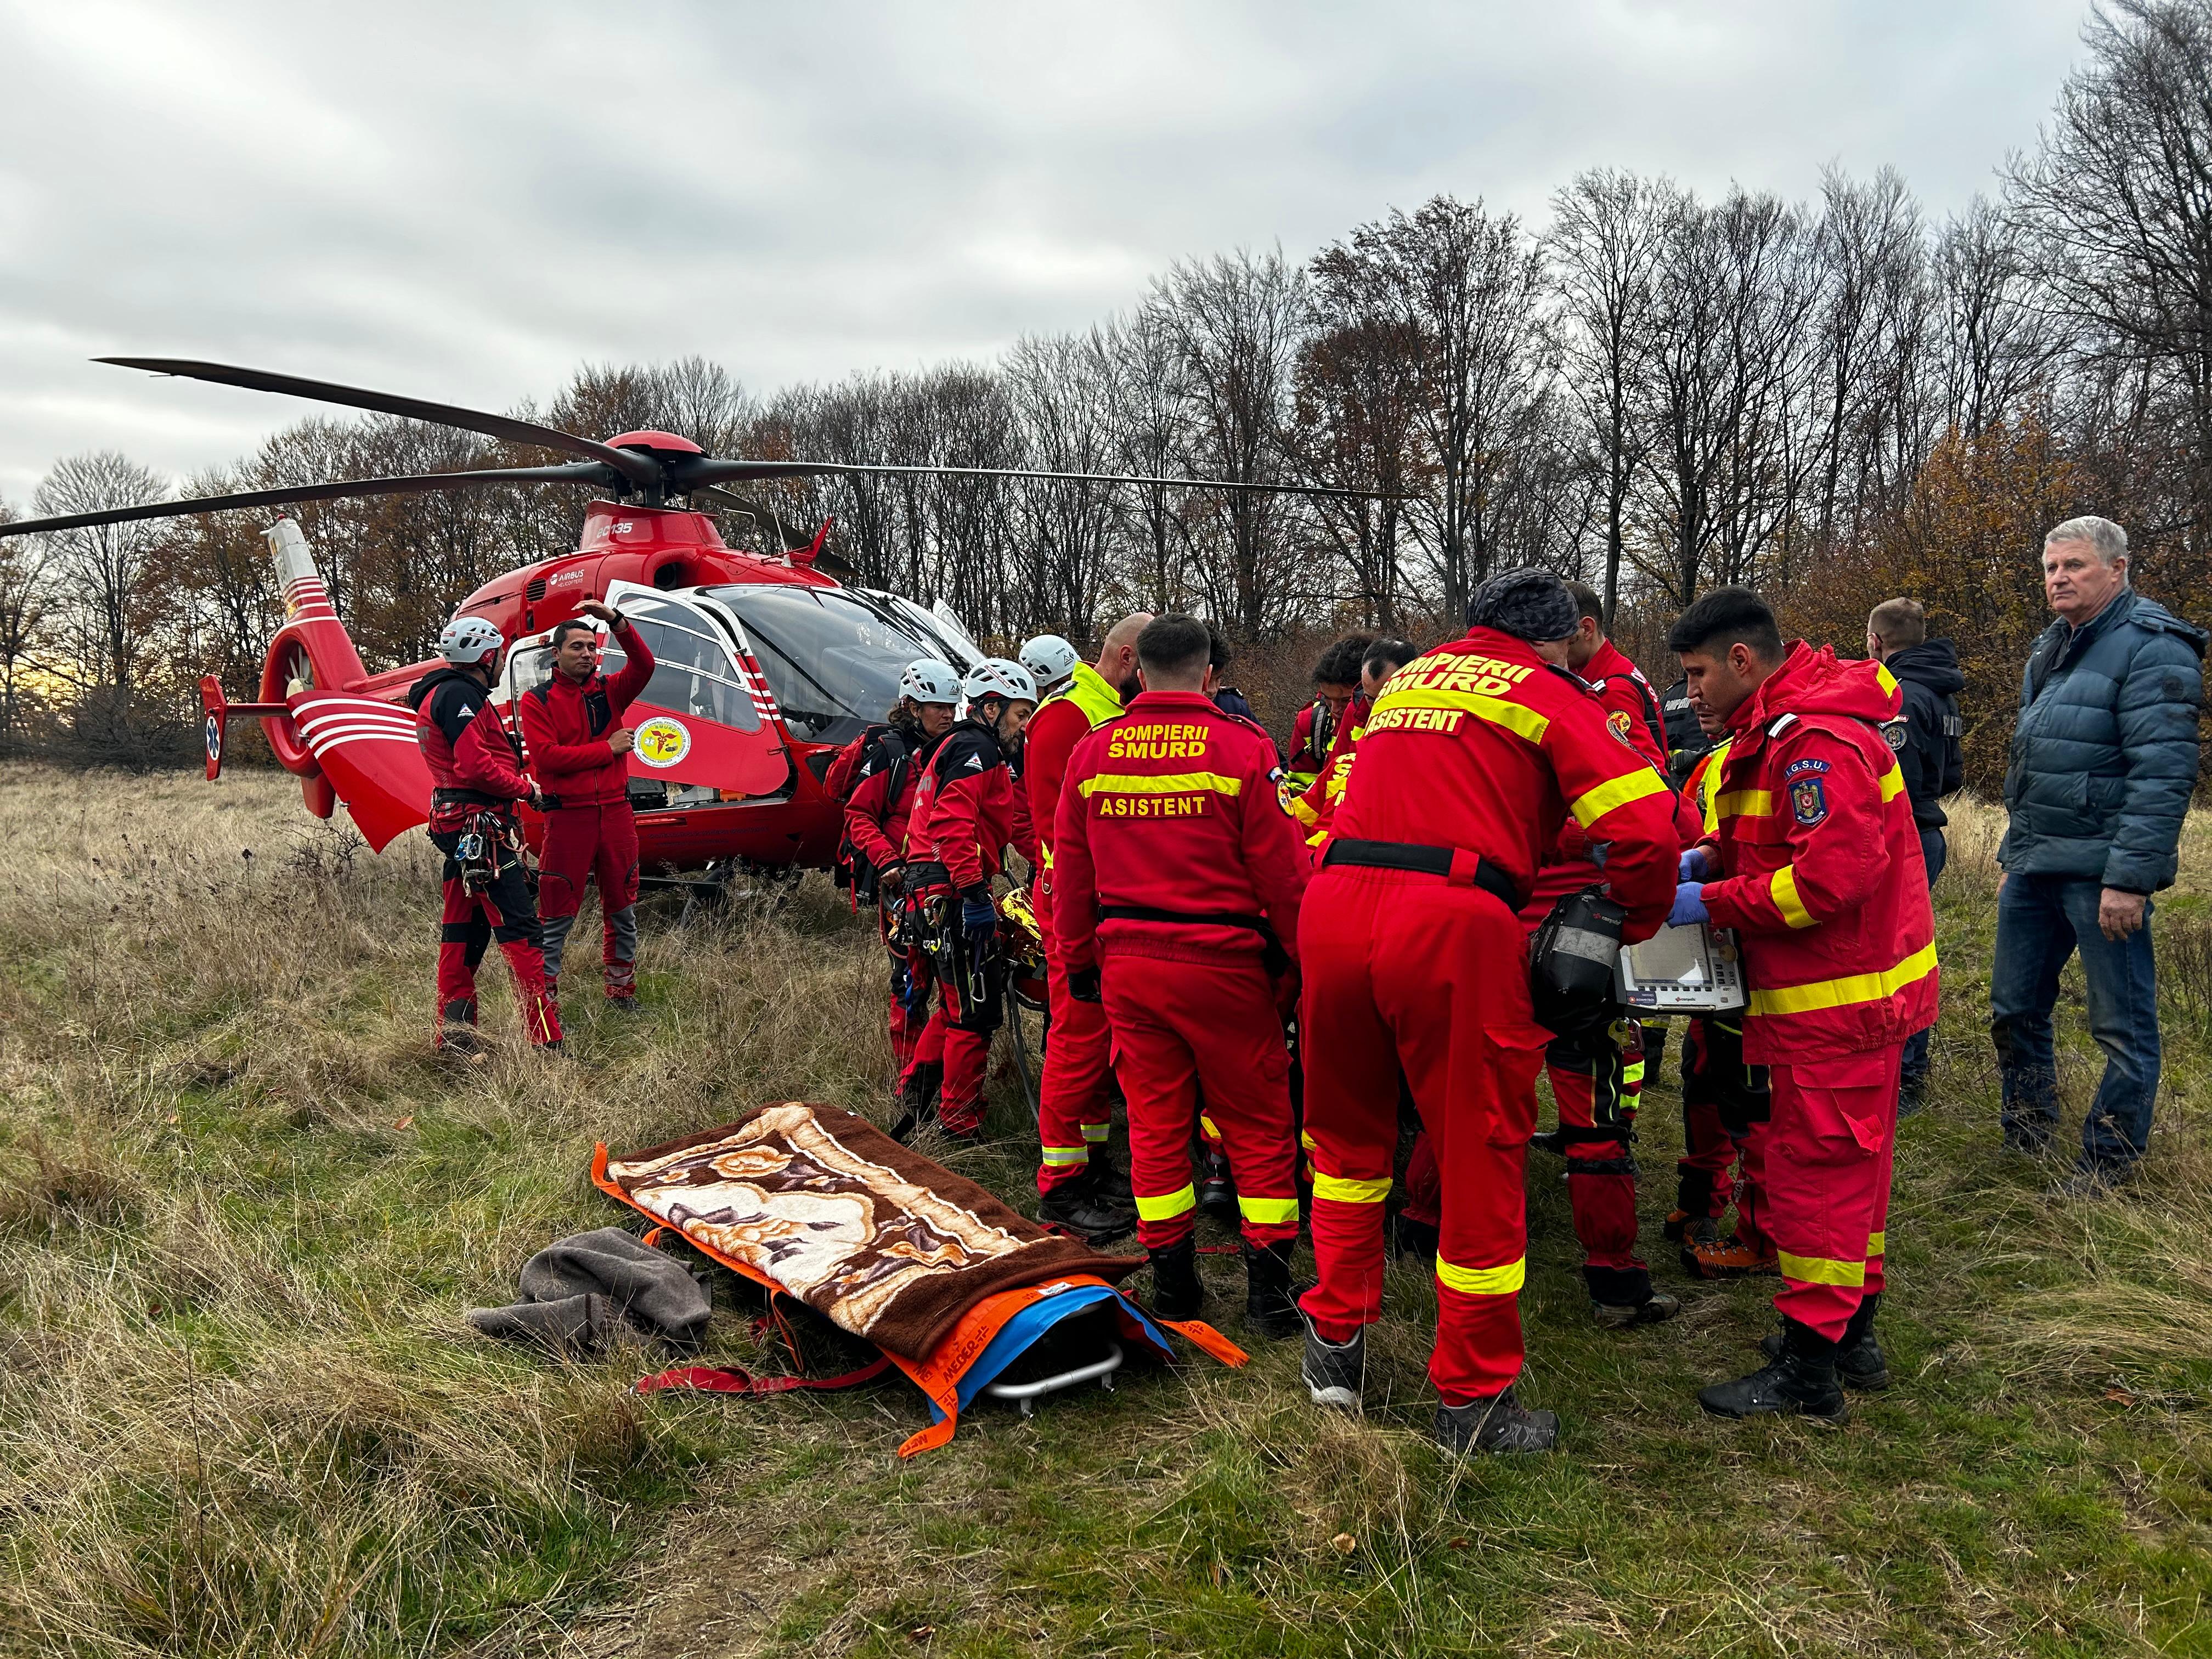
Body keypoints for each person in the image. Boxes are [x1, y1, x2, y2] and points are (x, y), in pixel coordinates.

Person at [1297, 570, 1677, 1455]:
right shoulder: (1545, 691)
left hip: (1337, 904)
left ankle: (1333, 1352)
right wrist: (1636, 919)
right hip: (1452, 918)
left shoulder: (1406, 682)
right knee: (1479, 1154)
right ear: (1552, 639)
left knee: (1348, 1143)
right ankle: (1472, 1400)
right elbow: (1645, 828)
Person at [1669, 586, 1936, 1422]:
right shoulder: (1781, 728)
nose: (1692, 694)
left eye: (1699, 674)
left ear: (1743, 661)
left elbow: (1830, 878)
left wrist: (1710, 903)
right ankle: (1851, 1335)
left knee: (1818, 1178)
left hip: (1838, 1003)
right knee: (1852, 1176)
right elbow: (1774, 838)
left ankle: (1810, 1370)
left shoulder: (1813, 739)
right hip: (1836, 1001)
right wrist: (1709, 860)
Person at [1051, 614, 1311, 1338]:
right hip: (1226, 968)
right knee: (1259, 1129)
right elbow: (1285, 874)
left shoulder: (1093, 752)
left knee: (1157, 1128)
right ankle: (1268, 1299)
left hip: (1130, 967)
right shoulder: (1241, 746)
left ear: (1137, 671)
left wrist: (1078, 964)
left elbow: (1070, 876)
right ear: (1206, 673)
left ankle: (1175, 1291)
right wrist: (1299, 959)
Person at [1992, 517, 2205, 1190]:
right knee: (2013, 1007)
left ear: (2117, 569)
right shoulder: (2052, 646)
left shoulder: (2153, 646)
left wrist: (2130, 880)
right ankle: (2027, 1132)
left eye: (2075, 566)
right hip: (2035, 865)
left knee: (2122, 1025)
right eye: (2052, 567)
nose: (2059, 578)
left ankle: (2108, 1166)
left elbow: (2162, 775)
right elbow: (2032, 765)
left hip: (2101, 872)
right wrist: (2013, 856)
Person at [1019, 618, 1150, 1243]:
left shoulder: (1104, 712)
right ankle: (1062, 1185)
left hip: (1110, 903)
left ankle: (1094, 1161)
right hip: (1079, 904)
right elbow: (1055, 837)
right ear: (1128, 659)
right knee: (1075, 1039)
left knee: (1098, 1039)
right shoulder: (1068, 717)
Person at [896, 658, 1041, 1144]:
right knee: (975, 1013)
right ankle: (959, 1124)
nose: (1024, 727)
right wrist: (975, 893)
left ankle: (916, 1099)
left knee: (958, 1006)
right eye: (1021, 715)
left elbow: (1000, 822)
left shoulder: (960, 747)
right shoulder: (977, 748)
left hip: (934, 889)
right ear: (992, 707)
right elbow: (952, 825)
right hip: (951, 892)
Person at [408, 616, 562, 1052]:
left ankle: (456, 1039)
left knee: (462, 932)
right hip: (482, 831)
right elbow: (476, 767)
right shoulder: (461, 695)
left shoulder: (438, 693)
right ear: (488, 656)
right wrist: (527, 790)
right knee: (522, 931)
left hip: (459, 829)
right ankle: (546, 1040)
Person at [517, 601, 654, 1013]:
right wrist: (607, 749)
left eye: (591, 647)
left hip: (616, 813)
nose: (587, 654)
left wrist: (617, 621)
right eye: (577, 647)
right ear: (556, 654)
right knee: (557, 912)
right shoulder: (536, 700)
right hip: (568, 816)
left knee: (623, 908)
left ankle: (621, 994)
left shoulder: (611, 691)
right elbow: (547, 757)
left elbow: (645, 665)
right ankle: (545, 1005)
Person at [844, 660, 963, 1091]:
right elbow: (858, 813)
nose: (947, 714)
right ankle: (909, 1080)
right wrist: (887, 861)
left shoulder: (956, 750)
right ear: (912, 706)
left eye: (951, 705)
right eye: (936, 707)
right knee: (911, 983)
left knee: (955, 982)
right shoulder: (890, 753)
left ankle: (942, 1070)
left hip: (947, 885)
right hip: (902, 889)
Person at [1866, 598, 1965, 1116]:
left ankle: (1906, 1079)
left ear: (1876, 642)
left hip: (1902, 837)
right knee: (1912, 952)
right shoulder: (1943, 692)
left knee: (1897, 959)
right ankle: (1903, 1074)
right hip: (1928, 831)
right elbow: (1953, 777)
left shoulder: (1898, 696)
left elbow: (1892, 778)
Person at [1288, 637, 1414, 857]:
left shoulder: (1425, 720)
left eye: (1384, 697)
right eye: (1368, 697)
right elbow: (1333, 780)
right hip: (1330, 847)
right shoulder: (1349, 714)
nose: (1375, 706)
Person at [1285, 635, 1372, 793]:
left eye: (1345, 700)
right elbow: (1300, 789)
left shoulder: (1387, 719)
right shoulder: (1310, 722)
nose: (1335, 709)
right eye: (1328, 699)